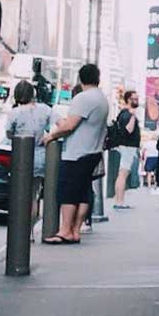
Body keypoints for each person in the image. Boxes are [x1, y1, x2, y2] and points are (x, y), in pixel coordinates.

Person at [42, 62, 109, 245]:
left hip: (76, 153)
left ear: (81, 78)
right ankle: (75, 230)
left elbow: (70, 125)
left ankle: (65, 231)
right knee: (82, 193)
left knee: (68, 193)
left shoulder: (83, 98)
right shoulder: (102, 98)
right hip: (93, 151)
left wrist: (51, 136)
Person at [4, 79, 52, 235]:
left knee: (20, 194)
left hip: (21, 156)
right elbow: (59, 123)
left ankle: (21, 232)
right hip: (40, 156)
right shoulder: (44, 109)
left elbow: (9, 133)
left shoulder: (15, 113)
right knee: (34, 196)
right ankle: (30, 231)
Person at [111, 89, 142, 209]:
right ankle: (119, 201)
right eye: (135, 98)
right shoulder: (127, 114)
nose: (137, 100)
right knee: (123, 173)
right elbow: (129, 129)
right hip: (128, 147)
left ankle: (119, 200)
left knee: (123, 173)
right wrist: (133, 116)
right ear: (129, 99)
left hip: (126, 146)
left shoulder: (122, 113)